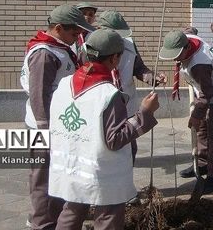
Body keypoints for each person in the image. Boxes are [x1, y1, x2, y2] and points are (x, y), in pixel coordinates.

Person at [48, 29, 159, 230]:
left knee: (72, 210)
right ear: (115, 58)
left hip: (72, 164)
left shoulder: (64, 84)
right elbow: (115, 139)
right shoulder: (108, 94)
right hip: (103, 171)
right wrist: (144, 113)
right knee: (108, 217)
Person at [20, 4, 96, 230]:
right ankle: (42, 223)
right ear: (59, 28)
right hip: (45, 128)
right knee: (43, 179)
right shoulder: (44, 54)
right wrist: (45, 129)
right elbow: (39, 94)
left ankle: (52, 216)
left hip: (59, 125)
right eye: (74, 33)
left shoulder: (58, 47)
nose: (77, 38)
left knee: (57, 175)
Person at [159, 30, 213, 194]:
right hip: (203, 87)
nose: (175, 59)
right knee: (201, 129)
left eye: (177, 55)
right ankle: (202, 164)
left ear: (186, 48)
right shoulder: (189, 38)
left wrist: (196, 115)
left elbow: (207, 94)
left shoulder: (200, 64)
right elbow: (191, 31)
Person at [97, 10, 166, 116]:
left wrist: (153, 78)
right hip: (102, 103)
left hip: (128, 103)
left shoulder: (129, 44)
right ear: (100, 30)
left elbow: (138, 68)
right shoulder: (91, 46)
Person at [74, 1, 98, 66]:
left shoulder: (96, 35)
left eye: (90, 14)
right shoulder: (70, 32)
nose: (87, 17)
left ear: (94, 18)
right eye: (83, 13)